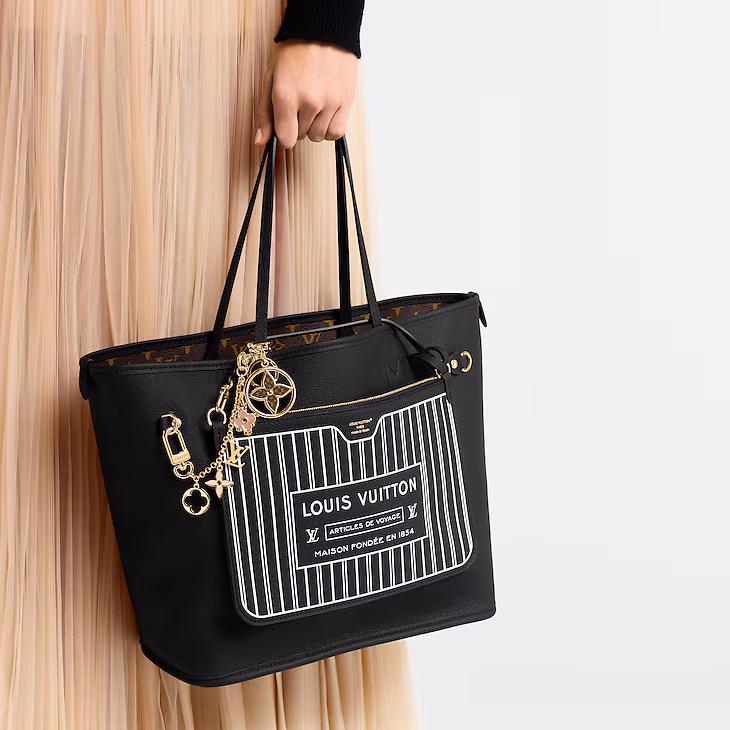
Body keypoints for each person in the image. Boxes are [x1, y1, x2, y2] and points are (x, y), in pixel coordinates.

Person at [0, 1, 417, 729]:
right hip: (43, 50)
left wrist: (326, 20)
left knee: (270, 455)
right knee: (55, 449)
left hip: (227, 45)